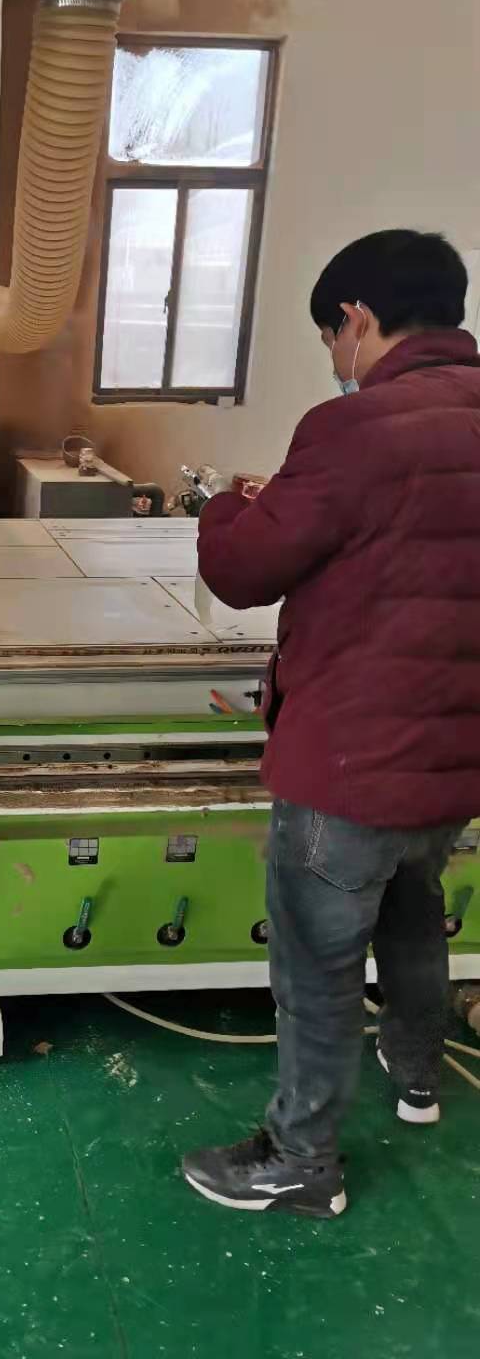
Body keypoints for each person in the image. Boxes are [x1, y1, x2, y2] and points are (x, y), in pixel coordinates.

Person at [181, 230, 480, 1219]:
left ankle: (301, 1161)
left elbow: (240, 572)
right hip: (454, 759)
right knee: (415, 912)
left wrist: (224, 508)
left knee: (317, 966)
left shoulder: (354, 429)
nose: (334, 359)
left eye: (329, 337)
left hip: (351, 764)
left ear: (356, 317)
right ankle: (419, 1078)